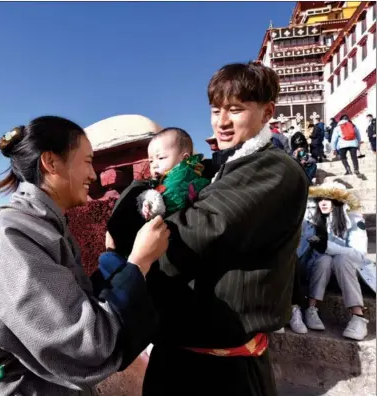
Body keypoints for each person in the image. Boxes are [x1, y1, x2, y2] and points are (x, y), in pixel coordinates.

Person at [108, 62, 309, 396]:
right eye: (216, 110)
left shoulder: (273, 170)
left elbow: (189, 237)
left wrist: (133, 247)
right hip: (182, 356)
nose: (222, 122)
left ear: (267, 112)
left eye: (236, 109)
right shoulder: (222, 168)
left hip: (222, 372)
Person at [0, 116, 170, 396]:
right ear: (51, 163)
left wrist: (118, 259)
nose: (92, 175)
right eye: (88, 161)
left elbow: (78, 303)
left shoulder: (46, 228)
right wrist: (139, 263)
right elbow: (86, 344)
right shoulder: (8, 238)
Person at [297, 182, 376, 341]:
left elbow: (359, 254)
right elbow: (302, 249)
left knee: (341, 258)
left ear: (339, 201)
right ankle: (312, 308)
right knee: (324, 259)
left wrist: (326, 245)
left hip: (347, 271)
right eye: (320, 199)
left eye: (329, 199)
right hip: (319, 271)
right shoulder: (313, 219)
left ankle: (358, 317)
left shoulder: (353, 219)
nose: (323, 203)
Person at [137, 127, 210, 221]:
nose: (154, 165)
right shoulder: (166, 177)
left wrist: (150, 204)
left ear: (184, 159)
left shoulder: (181, 175)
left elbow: (168, 196)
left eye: (161, 158)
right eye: (151, 161)